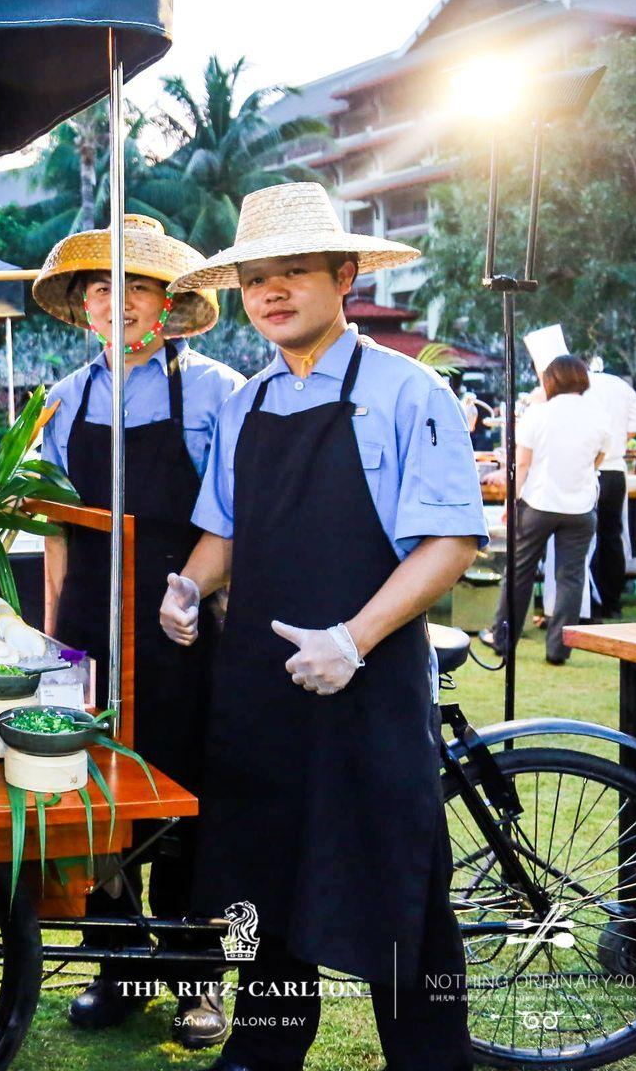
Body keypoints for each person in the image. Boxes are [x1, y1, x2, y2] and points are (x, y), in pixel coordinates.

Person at [162, 183, 486, 1071]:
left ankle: (430, 1059)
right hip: (262, 695)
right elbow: (223, 531)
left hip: (370, 687)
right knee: (259, 887)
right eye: (257, 278)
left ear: (344, 275)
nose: (271, 292)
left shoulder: (407, 391)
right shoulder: (245, 402)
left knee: (399, 891)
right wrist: (187, 587)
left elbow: (451, 537)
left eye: (293, 272)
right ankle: (262, 1053)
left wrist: (353, 640)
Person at [31, 214, 243, 1049]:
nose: (114, 304)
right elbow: (53, 530)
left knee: (183, 796)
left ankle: (198, 980)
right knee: (91, 803)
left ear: (169, 305)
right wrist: (53, 638)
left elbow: (230, 517)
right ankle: (119, 965)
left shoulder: (218, 391)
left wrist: (194, 594)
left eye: (135, 289)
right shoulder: (64, 397)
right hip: (87, 620)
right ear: (82, 306)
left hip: (178, 623)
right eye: (99, 289)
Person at [487, 356, 611, 664]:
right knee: (571, 577)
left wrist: (510, 502)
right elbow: (599, 458)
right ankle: (558, 650)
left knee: (519, 573)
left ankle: (503, 640)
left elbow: (523, 464)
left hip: (539, 503)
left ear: (549, 381)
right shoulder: (598, 415)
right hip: (581, 506)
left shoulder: (538, 414)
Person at [583, 360, 636, 619]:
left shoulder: (575, 385)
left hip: (585, 469)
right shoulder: (621, 386)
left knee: (582, 537)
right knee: (611, 535)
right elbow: (635, 428)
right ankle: (612, 601)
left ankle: (589, 603)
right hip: (616, 471)